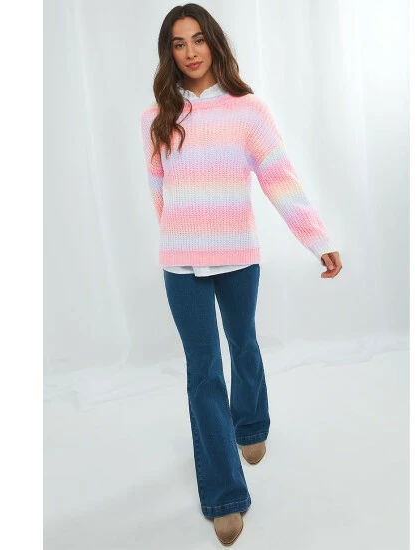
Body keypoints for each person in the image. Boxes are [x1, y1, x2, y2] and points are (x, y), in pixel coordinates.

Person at [140, 3, 342, 546]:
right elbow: (159, 192)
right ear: (168, 53)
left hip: (238, 255)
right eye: (178, 43)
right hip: (180, 262)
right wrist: (179, 236)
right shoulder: (157, 116)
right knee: (203, 371)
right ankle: (225, 495)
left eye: (198, 39)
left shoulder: (248, 110)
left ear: (214, 43)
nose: (190, 52)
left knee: (243, 342)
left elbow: (279, 177)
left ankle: (250, 424)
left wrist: (317, 239)